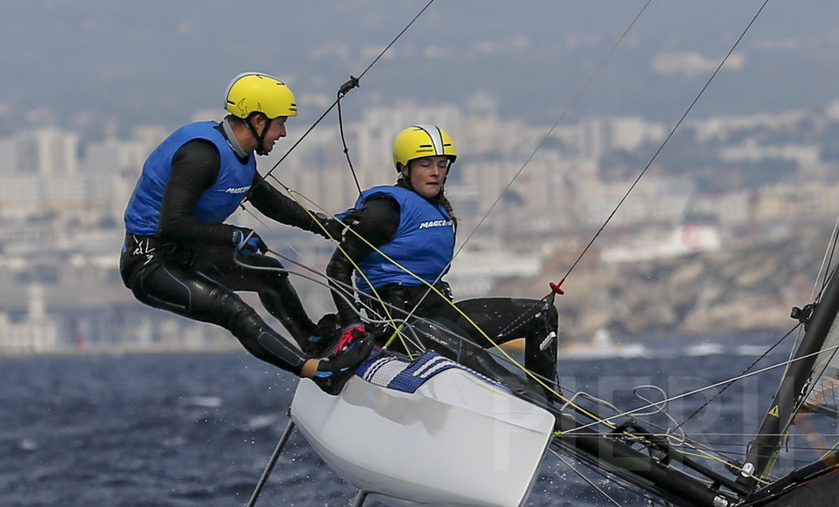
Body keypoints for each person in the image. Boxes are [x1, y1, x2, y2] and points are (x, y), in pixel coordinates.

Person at [122, 72, 374, 393]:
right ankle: (320, 372)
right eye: (280, 123)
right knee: (234, 311)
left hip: (189, 251)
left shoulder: (240, 154)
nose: (283, 133)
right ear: (257, 120)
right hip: (150, 263)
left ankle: (313, 342)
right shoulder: (202, 155)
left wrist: (328, 227)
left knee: (271, 275)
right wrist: (233, 235)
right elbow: (172, 223)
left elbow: (271, 202)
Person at [324, 123, 558, 386]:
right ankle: (547, 419)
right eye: (425, 164)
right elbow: (337, 270)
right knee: (501, 380)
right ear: (404, 168)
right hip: (402, 328)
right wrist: (352, 325)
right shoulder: (385, 209)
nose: (435, 172)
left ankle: (552, 405)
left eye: (442, 164)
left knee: (542, 315)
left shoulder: (436, 208)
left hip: (440, 315)